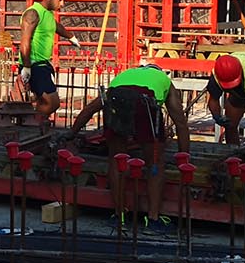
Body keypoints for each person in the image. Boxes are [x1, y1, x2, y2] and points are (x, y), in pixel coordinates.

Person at [73, 64, 190, 227]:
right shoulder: (165, 81)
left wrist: (71, 134)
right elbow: (181, 124)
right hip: (145, 102)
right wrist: (183, 158)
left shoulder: (125, 76)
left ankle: (119, 215)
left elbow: (89, 110)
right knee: (154, 163)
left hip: (116, 99)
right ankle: (153, 219)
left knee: (117, 160)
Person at [17, 0, 80, 122]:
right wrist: (26, 67)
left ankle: (34, 123)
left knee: (44, 101)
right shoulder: (33, 13)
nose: (62, 4)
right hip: (34, 65)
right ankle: (33, 124)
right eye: (61, 0)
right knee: (52, 102)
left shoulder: (48, 14)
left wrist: (71, 37)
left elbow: (56, 27)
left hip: (43, 64)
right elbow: (25, 42)